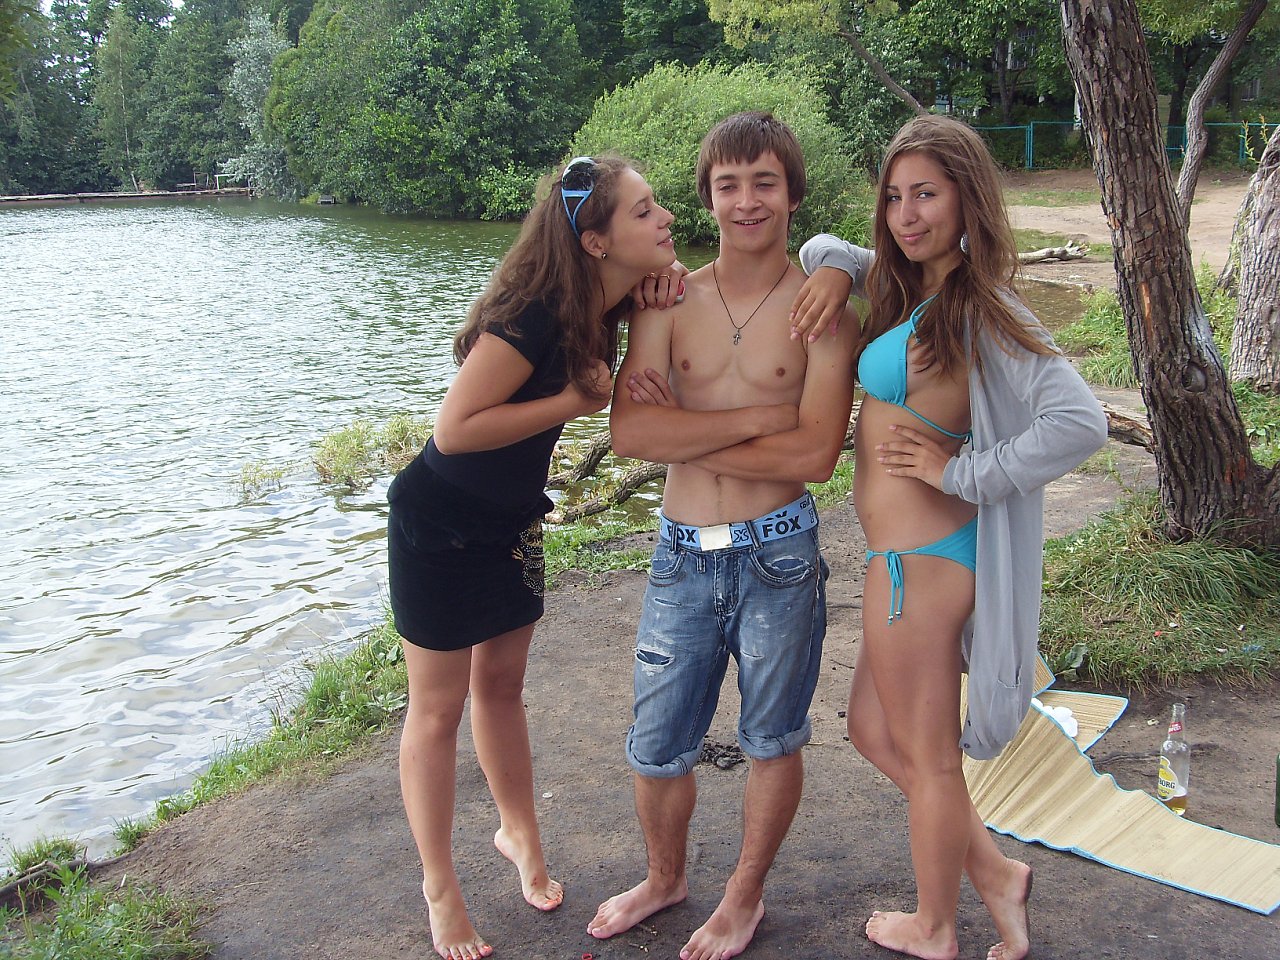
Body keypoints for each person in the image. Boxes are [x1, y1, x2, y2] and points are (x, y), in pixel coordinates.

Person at [787, 114, 1108, 960]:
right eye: (895, 196)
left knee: (928, 760)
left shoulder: (982, 307)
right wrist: (834, 266)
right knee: (872, 731)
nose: (906, 214)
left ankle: (936, 927)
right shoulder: (916, 288)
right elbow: (827, 247)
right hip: (902, 562)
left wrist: (963, 471)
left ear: (969, 199)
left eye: (926, 194)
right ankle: (997, 875)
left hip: (923, 568)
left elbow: (1078, 421)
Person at [387, 155, 677, 960]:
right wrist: (573, 401)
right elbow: (454, 432)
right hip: (439, 524)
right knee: (437, 709)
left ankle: (517, 832)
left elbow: (674, 285)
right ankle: (440, 886)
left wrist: (660, 285)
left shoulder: (605, 298)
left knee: (503, 686)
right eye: (645, 211)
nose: (665, 220)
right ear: (595, 240)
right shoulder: (533, 315)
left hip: (512, 520)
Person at [588, 112, 858, 960]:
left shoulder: (823, 310)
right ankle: (664, 878)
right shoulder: (668, 299)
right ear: (706, 197)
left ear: (793, 194)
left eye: (764, 183)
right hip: (681, 552)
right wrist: (764, 418)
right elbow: (632, 433)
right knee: (657, 744)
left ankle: (744, 897)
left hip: (780, 550)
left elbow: (816, 457)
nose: (747, 202)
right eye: (729, 185)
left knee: (772, 736)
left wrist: (689, 431)